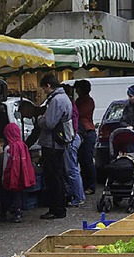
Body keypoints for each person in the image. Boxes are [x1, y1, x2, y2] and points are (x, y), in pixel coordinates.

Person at [36, 73, 73, 220]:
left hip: (52, 143)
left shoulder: (56, 100)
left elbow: (49, 123)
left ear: (49, 86)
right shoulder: (65, 98)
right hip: (59, 142)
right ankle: (59, 207)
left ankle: (56, 209)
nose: (44, 91)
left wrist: (39, 119)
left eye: (44, 88)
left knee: (53, 177)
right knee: (58, 175)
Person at [0, 122, 36, 223]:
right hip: (21, 176)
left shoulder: (8, 148)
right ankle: (18, 212)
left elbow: (5, 165)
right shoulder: (22, 145)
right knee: (19, 194)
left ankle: (6, 212)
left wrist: (3, 177)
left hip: (11, 176)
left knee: (7, 195)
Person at [62, 84, 85, 208]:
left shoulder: (67, 105)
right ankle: (77, 195)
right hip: (74, 137)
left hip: (70, 139)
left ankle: (78, 197)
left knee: (71, 169)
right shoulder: (72, 104)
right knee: (72, 169)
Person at [74, 79, 97, 195]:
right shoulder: (79, 100)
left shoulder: (88, 101)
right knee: (82, 160)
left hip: (87, 132)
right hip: (82, 132)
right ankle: (85, 184)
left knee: (87, 160)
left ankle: (91, 185)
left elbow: (80, 114)